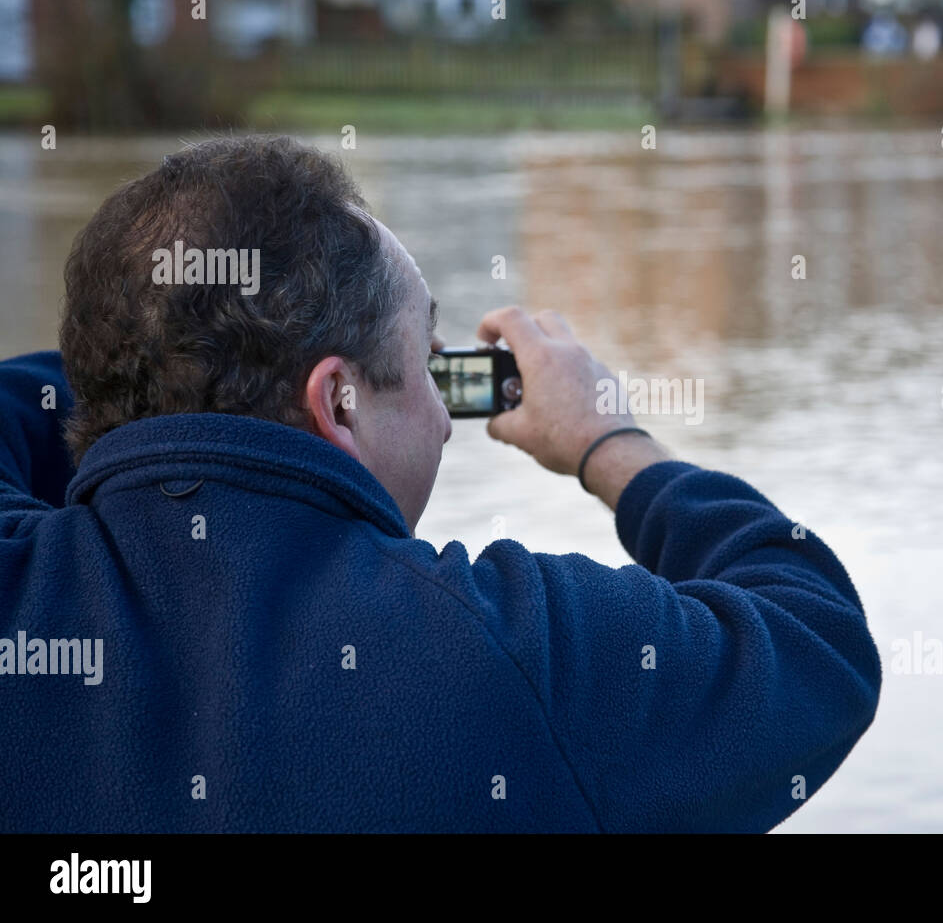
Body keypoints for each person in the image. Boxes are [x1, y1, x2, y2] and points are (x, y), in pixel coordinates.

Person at [0, 135, 881, 832]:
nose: (438, 403)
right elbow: (816, 642)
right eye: (424, 360)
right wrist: (609, 440)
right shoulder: (512, 656)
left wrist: (166, 368)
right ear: (338, 404)